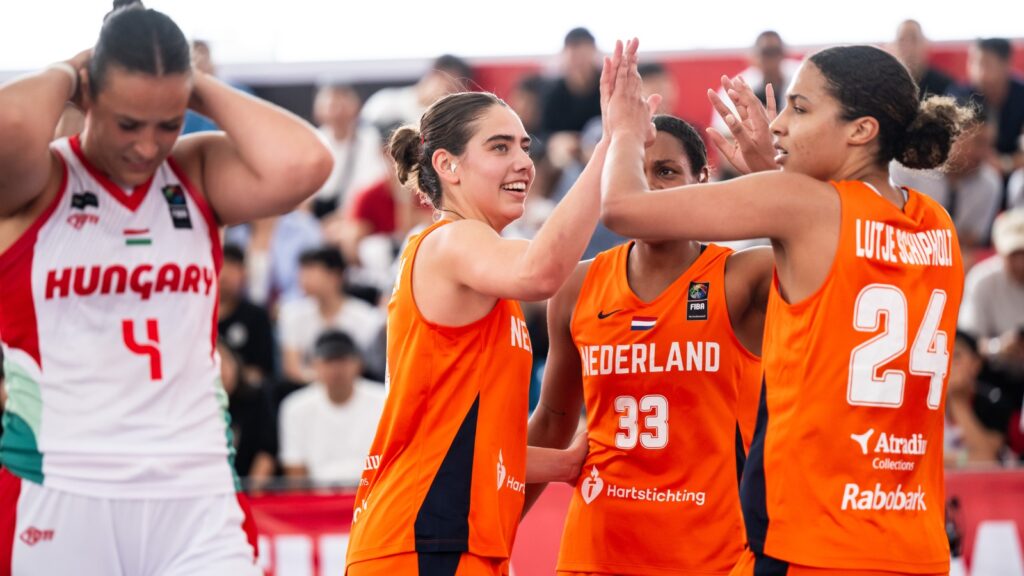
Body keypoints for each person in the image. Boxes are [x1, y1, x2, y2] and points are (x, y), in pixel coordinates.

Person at [602, 41, 969, 574]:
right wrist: (771, 172)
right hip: (914, 542)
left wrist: (625, 132)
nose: (777, 124)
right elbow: (839, 244)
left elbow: (622, 208)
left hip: (813, 541)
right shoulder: (936, 222)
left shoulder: (800, 206)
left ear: (861, 130)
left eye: (799, 109)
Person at [0, 2, 332, 574]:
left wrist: (190, 86)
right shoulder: (38, 181)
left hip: (195, 489)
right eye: (129, 122)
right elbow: (10, 130)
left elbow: (304, 162)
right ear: (90, 98)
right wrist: (67, 71)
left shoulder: (193, 171)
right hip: (61, 483)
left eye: (169, 122)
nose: (148, 146)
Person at [345, 42, 634, 576]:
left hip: (453, 539)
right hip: (421, 538)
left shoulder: (482, 269)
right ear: (447, 165)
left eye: (525, 145)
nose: (524, 160)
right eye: (500, 147)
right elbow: (542, 272)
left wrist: (574, 459)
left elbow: (478, 446)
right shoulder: (451, 243)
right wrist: (611, 144)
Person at [528, 114, 771, 575]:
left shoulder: (743, 277)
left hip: (713, 554)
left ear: (702, 179)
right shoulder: (577, 285)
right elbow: (554, 422)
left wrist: (775, 178)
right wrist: (493, 534)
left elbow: (835, 257)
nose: (650, 186)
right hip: (597, 549)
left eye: (666, 171)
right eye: (637, 171)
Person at [279, 330, 385, 485]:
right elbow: (295, 471)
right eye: (328, 361)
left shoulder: (383, 399)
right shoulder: (294, 407)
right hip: (318, 501)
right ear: (315, 365)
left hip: (374, 495)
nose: (336, 369)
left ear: (358, 363)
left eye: (343, 360)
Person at [892, 20, 956, 98]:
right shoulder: (888, 85)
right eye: (901, 41)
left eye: (914, 39)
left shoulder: (945, 86)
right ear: (893, 47)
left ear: (925, 45)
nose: (908, 48)